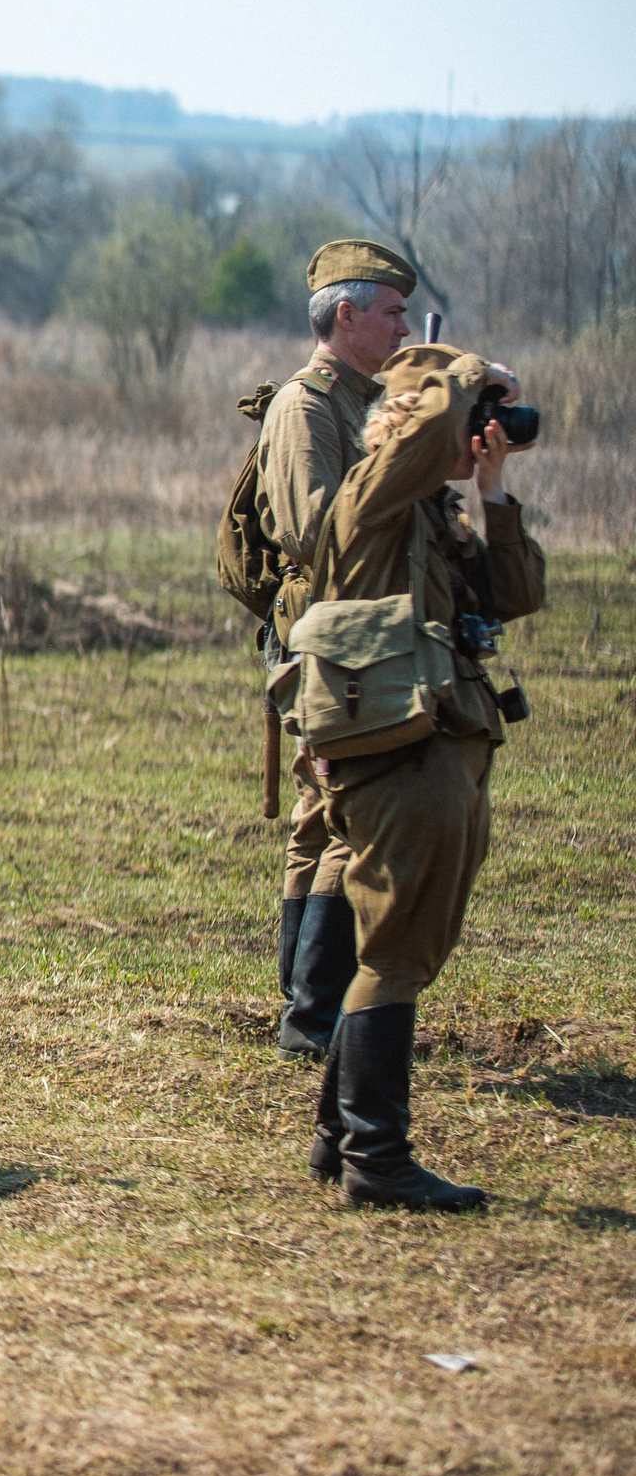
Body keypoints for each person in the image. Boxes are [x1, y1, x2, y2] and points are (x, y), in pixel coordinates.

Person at [301, 344, 542, 1210]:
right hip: (404, 756)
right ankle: (377, 1157)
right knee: (397, 949)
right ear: (411, 427)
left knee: (408, 948)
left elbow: (515, 592)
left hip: (449, 745)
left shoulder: (433, 518)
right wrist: (469, 372)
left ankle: (341, 1140)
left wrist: (493, 487)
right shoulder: (370, 499)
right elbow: (428, 418)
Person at [256, 240, 414, 1059]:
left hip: (361, 638)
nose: (404, 326)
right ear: (345, 315)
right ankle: (313, 1021)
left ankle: (305, 1011)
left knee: (322, 816)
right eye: (391, 312)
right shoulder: (307, 407)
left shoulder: (367, 399)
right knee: (342, 813)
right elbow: (312, 528)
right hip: (326, 640)